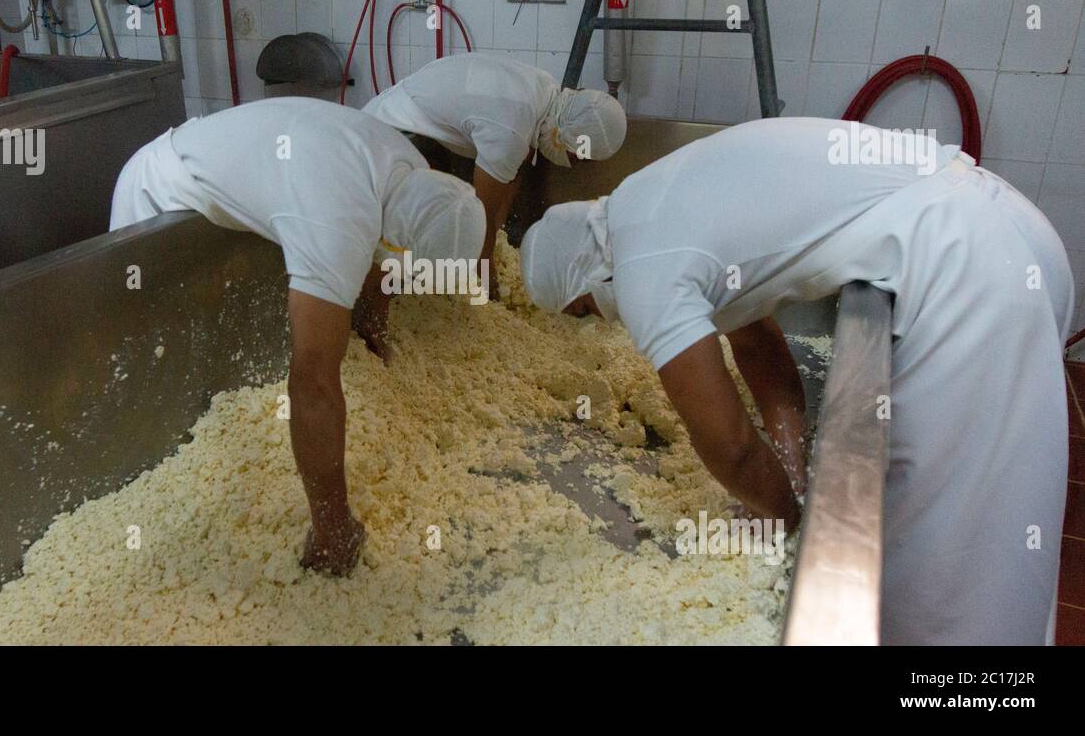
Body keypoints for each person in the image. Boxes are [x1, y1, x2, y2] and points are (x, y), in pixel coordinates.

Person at [520, 117, 1075, 645]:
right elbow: (759, 349)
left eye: (586, 310)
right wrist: (792, 468)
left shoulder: (643, 270)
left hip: (967, 272)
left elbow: (730, 447)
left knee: (953, 566)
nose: (601, 320)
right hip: (1002, 224)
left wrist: (782, 521)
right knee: (989, 525)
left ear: (585, 280)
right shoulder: (643, 204)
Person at [111, 97, 486, 575]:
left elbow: (381, 258)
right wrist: (333, 530)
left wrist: (372, 337)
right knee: (156, 371)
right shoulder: (336, 219)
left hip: (219, 176)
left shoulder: (413, 174)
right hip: (158, 199)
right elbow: (312, 382)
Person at [363, 53, 627, 290]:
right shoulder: (512, 129)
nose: (573, 164)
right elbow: (482, 215)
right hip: (389, 132)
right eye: (576, 157)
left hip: (412, 114)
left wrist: (494, 242)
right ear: (563, 137)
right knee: (401, 233)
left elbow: (510, 177)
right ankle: (378, 307)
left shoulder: (544, 92)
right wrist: (486, 285)